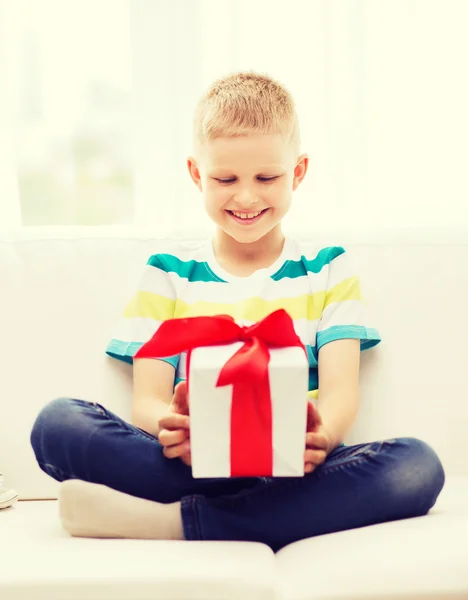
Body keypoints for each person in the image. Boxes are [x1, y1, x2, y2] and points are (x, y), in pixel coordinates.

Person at [30, 71, 445, 552]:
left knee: (418, 465)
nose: (246, 197)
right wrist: (173, 429)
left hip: (295, 469)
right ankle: (260, 512)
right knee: (58, 423)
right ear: (195, 174)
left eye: (266, 177)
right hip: (193, 464)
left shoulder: (328, 270)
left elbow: (339, 392)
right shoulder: (168, 273)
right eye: (225, 179)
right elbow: (147, 401)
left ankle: (175, 522)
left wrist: (323, 437)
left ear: (299, 172)